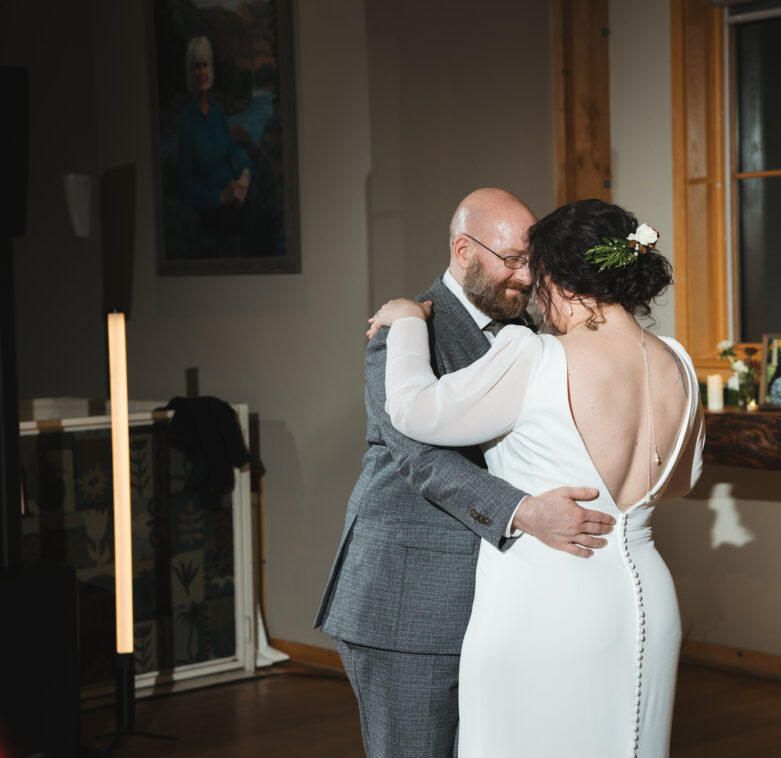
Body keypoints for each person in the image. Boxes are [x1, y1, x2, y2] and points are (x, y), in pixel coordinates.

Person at [370, 198, 706, 758]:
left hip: (545, 598)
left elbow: (409, 410)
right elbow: (682, 479)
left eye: (540, 274)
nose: (532, 288)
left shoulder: (534, 354)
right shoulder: (677, 361)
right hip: (647, 599)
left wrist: (406, 320)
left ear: (564, 280)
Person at [313, 188, 616, 758]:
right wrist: (525, 512)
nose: (527, 278)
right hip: (406, 604)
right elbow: (419, 459)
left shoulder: (533, 336)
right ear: (464, 250)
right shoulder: (403, 329)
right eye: (513, 260)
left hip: (496, 603)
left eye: (534, 262)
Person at [176, 36, 272, 255]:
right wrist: (222, 197)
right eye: (196, 67)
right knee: (254, 207)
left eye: (205, 65)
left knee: (255, 197)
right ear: (190, 72)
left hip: (233, 195)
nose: (202, 72)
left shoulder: (217, 111)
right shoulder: (187, 120)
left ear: (211, 69)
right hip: (211, 207)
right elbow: (187, 188)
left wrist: (245, 175)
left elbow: (233, 152)